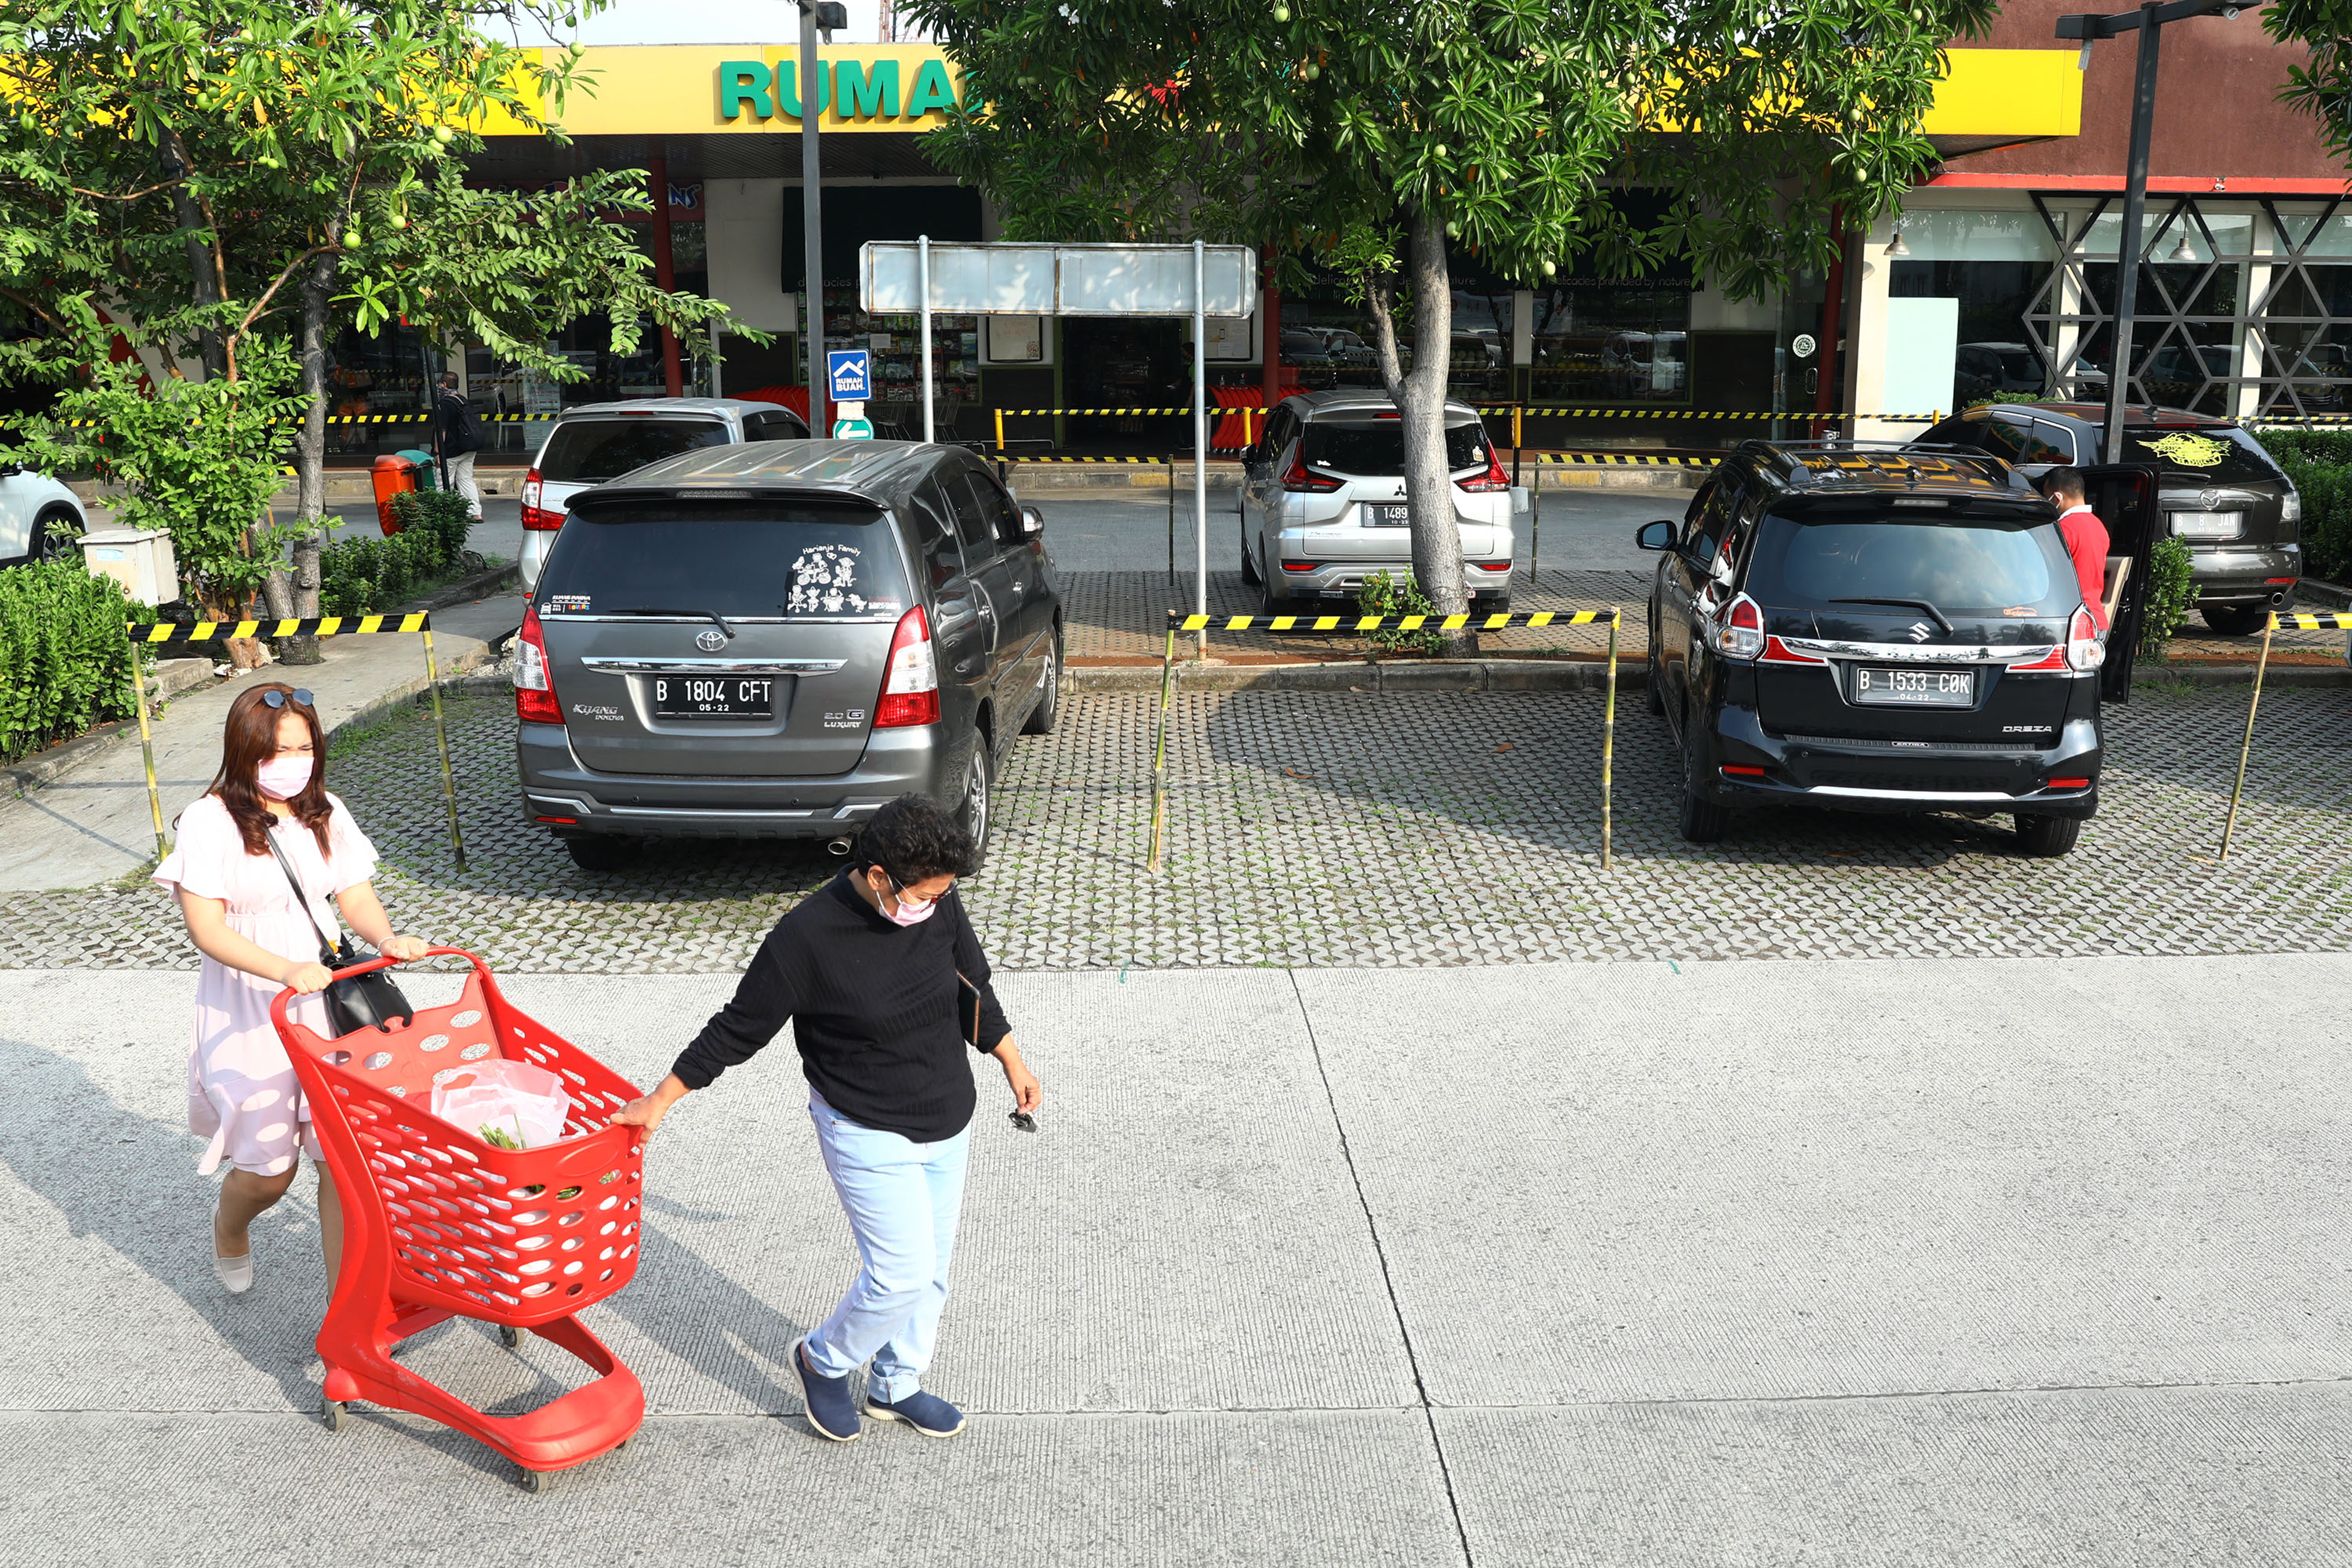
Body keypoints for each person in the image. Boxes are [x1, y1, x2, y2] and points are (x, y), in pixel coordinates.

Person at [612, 796, 1042, 1444]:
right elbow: (738, 1028)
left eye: (943, 892)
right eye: (924, 894)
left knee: (930, 1274)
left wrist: (1011, 1058)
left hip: (948, 1118)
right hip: (864, 1126)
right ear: (878, 877)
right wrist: (661, 1099)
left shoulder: (937, 900)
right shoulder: (805, 938)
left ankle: (896, 1384)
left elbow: (971, 984)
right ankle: (823, 1360)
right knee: (898, 1273)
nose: (935, 903)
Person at [154, 684, 430, 1295]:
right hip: (250, 1005)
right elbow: (206, 928)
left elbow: (353, 893)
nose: (296, 761)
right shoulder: (208, 821)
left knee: (343, 1162)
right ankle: (231, 1224)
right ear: (246, 751)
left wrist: (386, 939)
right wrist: (282, 969)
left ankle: (349, 1311)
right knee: (269, 1172)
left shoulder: (323, 808)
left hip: (326, 1001)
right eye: (280, 750)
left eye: (306, 747)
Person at [2042, 466, 2112, 633]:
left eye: (2047, 498)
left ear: (2057, 497)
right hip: (2095, 619)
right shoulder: (2099, 526)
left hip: (2069, 621)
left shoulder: (2061, 529)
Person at [431, 370, 484, 521]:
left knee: (443, 482)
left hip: (451, 452)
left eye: (440, 384)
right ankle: (475, 513)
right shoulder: (463, 400)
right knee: (466, 480)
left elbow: (441, 430)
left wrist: (437, 453)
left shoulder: (445, 404)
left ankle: (442, 513)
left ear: (445, 384)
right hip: (468, 449)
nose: (439, 387)